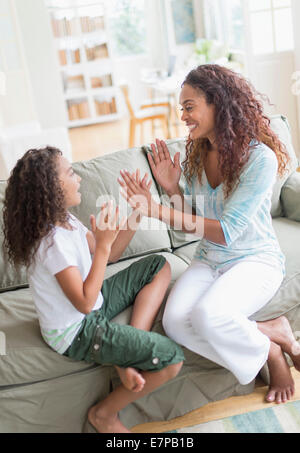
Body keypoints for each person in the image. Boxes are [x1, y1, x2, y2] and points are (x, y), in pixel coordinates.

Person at [119, 64, 300, 405]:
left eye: (190, 106)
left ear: (218, 103)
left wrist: (156, 208)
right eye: (182, 108)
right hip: (209, 259)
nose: (184, 116)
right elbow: (193, 219)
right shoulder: (200, 153)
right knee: (175, 322)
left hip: (254, 259)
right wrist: (172, 187)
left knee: (208, 315)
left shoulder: (259, 159)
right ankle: (272, 336)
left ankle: (273, 357)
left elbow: (228, 231)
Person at [2, 146, 184, 433]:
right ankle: (104, 414)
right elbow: (84, 304)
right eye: (71, 173)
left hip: (93, 305)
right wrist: (101, 245)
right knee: (172, 359)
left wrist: (137, 210)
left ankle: (130, 348)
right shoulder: (51, 245)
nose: (79, 179)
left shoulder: (66, 221)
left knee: (157, 265)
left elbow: (112, 255)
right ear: (51, 187)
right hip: (75, 332)